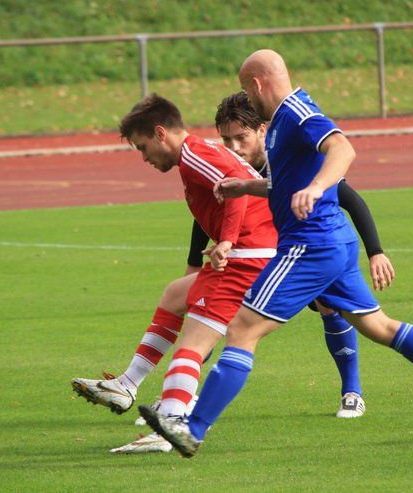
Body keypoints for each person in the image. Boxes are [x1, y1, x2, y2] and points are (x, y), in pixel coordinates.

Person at [140, 49, 413, 458]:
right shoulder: (280, 122)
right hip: (334, 242)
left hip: (310, 243)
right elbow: (286, 183)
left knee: (241, 329)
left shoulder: (296, 111)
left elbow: (343, 149)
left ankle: (192, 429)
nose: (247, 99)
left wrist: (317, 187)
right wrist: (246, 187)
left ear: (257, 84)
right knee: (379, 326)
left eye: (246, 91)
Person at [72, 93, 395, 454]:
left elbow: (236, 185)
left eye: (143, 147)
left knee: (198, 342)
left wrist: (226, 241)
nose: (144, 157)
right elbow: (223, 196)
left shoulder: (197, 155)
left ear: (161, 133)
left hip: (253, 253)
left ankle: (172, 423)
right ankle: (130, 385)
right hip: (262, 248)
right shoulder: (195, 155)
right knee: (175, 295)